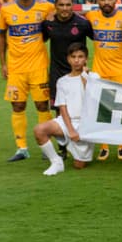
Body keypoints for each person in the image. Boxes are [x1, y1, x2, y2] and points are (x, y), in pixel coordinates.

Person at [0, 0, 55, 162]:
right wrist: (3, 64)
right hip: (16, 68)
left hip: (39, 66)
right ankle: (21, 148)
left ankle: (47, 147)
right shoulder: (6, 10)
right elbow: (0, 36)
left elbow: (53, 28)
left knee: (42, 105)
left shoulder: (46, 7)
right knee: (17, 105)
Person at [35, 43, 97, 176]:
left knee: (79, 166)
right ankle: (56, 162)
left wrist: (87, 80)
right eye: (73, 57)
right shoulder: (62, 81)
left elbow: (95, 102)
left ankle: (76, 152)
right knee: (39, 130)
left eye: (80, 57)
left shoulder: (94, 78)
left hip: (85, 124)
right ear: (68, 59)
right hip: (66, 122)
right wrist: (70, 130)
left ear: (86, 59)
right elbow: (62, 108)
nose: (76, 60)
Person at [85, 0, 122, 161]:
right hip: (99, 69)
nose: (106, 3)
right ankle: (104, 146)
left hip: (120, 68)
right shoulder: (91, 17)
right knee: (102, 109)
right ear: (98, 1)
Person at [41, 0, 92, 114]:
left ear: (72, 5)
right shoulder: (48, 23)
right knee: (60, 111)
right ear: (55, 6)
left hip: (78, 73)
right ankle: (61, 133)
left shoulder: (83, 23)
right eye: (61, 5)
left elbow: (99, 39)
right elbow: (41, 40)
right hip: (57, 74)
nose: (65, 8)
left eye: (68, 5)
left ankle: (79, 134)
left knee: (81, 109)